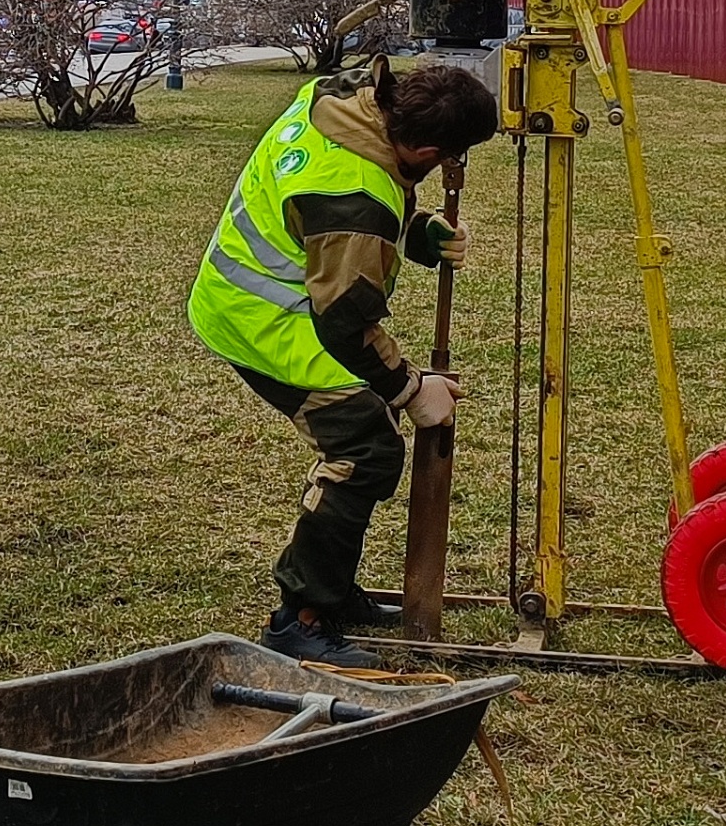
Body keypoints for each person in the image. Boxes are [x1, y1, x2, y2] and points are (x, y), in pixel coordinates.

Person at [188, 55, 498, 668]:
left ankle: (332, 596)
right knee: (365, 448)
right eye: (443, 160)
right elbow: (346, 324)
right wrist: (411, 388)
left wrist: (410, 228)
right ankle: (299, 619)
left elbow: (338, 195)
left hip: (263, 291)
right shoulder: (357, 206)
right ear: (427, 147)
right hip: (262, 318)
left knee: (368, 438)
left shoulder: (345, 94)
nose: (443, 170)